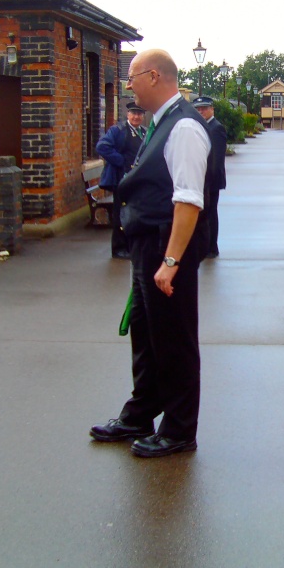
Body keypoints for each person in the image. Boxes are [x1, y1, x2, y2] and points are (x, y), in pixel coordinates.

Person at [90, 49, 211, 458]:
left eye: (133, 77)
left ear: (155, 77)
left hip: (165, 248)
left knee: (174, 340)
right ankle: (141, 413)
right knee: (146, 335)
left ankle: (178, 430)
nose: (129, 85)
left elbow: (189, 200)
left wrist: (171, 261)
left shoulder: (185, 129)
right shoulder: (161, 124)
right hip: (148, 248)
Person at [95, 101, 147, 258]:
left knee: (133, 214)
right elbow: (102, 146)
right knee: (120, 215)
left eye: (139, 114)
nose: (136, 117)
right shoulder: (117, 131)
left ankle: (130, 246)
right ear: (128, 114)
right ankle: (118, 249)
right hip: (121, 180)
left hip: (136, 181)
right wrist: (121, 161)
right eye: (133, 113)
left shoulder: (144, 132)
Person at [191, 95, 227, 258]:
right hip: (203, 179)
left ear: (212, 109)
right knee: (205, 214)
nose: (201, 111)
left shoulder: (216, 128)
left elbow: (216, 159)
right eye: (198, 109)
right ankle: (206, 246)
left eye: (204, 109)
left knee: (210, 214)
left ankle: (211, 247)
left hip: (210, 180)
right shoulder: (202, 126)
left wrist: (206, 181)